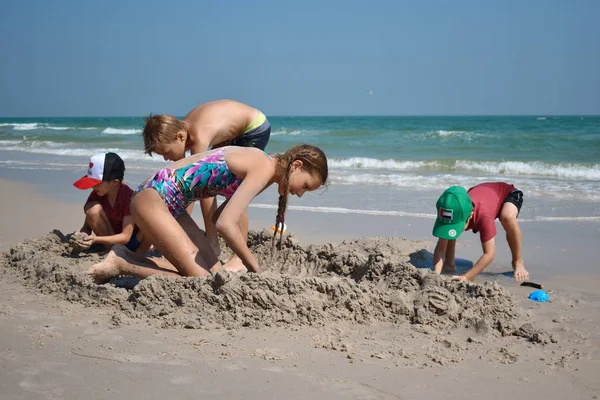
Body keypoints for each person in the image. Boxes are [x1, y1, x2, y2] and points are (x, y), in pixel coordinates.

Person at [86, 144, 328, 283]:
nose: (299, 194)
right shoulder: (264, 166)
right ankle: (122, 263)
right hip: (156, 196)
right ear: (296, 166)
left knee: (217, 275)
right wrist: (254, 266)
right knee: (201, 279)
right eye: (305, 186)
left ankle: (132, 257)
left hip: (172, 203)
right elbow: (225, 224)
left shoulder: (267, 169)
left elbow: (218, 217)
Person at [141, 100, 271, 258]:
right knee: (211, 181)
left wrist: (211, 236)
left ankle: (229, 251)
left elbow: (204, 190)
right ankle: (211, 239)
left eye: (167, 152)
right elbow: (188, 190)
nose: (166, 158)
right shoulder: (182, 131)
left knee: (236, 190)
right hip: (230, 133)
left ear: (180, 137)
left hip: (253, 127)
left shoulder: (198, 138)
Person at [431, 182, 529, 282]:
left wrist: (466, 277)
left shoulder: (484, 217)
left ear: (470, 216)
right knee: (450, 231)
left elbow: (489, 254)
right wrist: (436, 274)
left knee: (507, 217)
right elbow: (441, 248)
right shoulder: (454, 207)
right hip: (482, 192)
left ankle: (518, 261)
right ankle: (449, 263)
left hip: (508, 194)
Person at [72, 152, 141, 252]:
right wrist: (83, 236)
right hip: (109, 240)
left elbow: (126, 237)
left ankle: (115, 250)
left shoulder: (128, 198)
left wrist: (95, 239)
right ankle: (110, 249)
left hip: (131, 242)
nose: (92, 186)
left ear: (115, 182)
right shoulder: (97, 194)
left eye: (96, 183)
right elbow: (86, 228)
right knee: (92, 209)